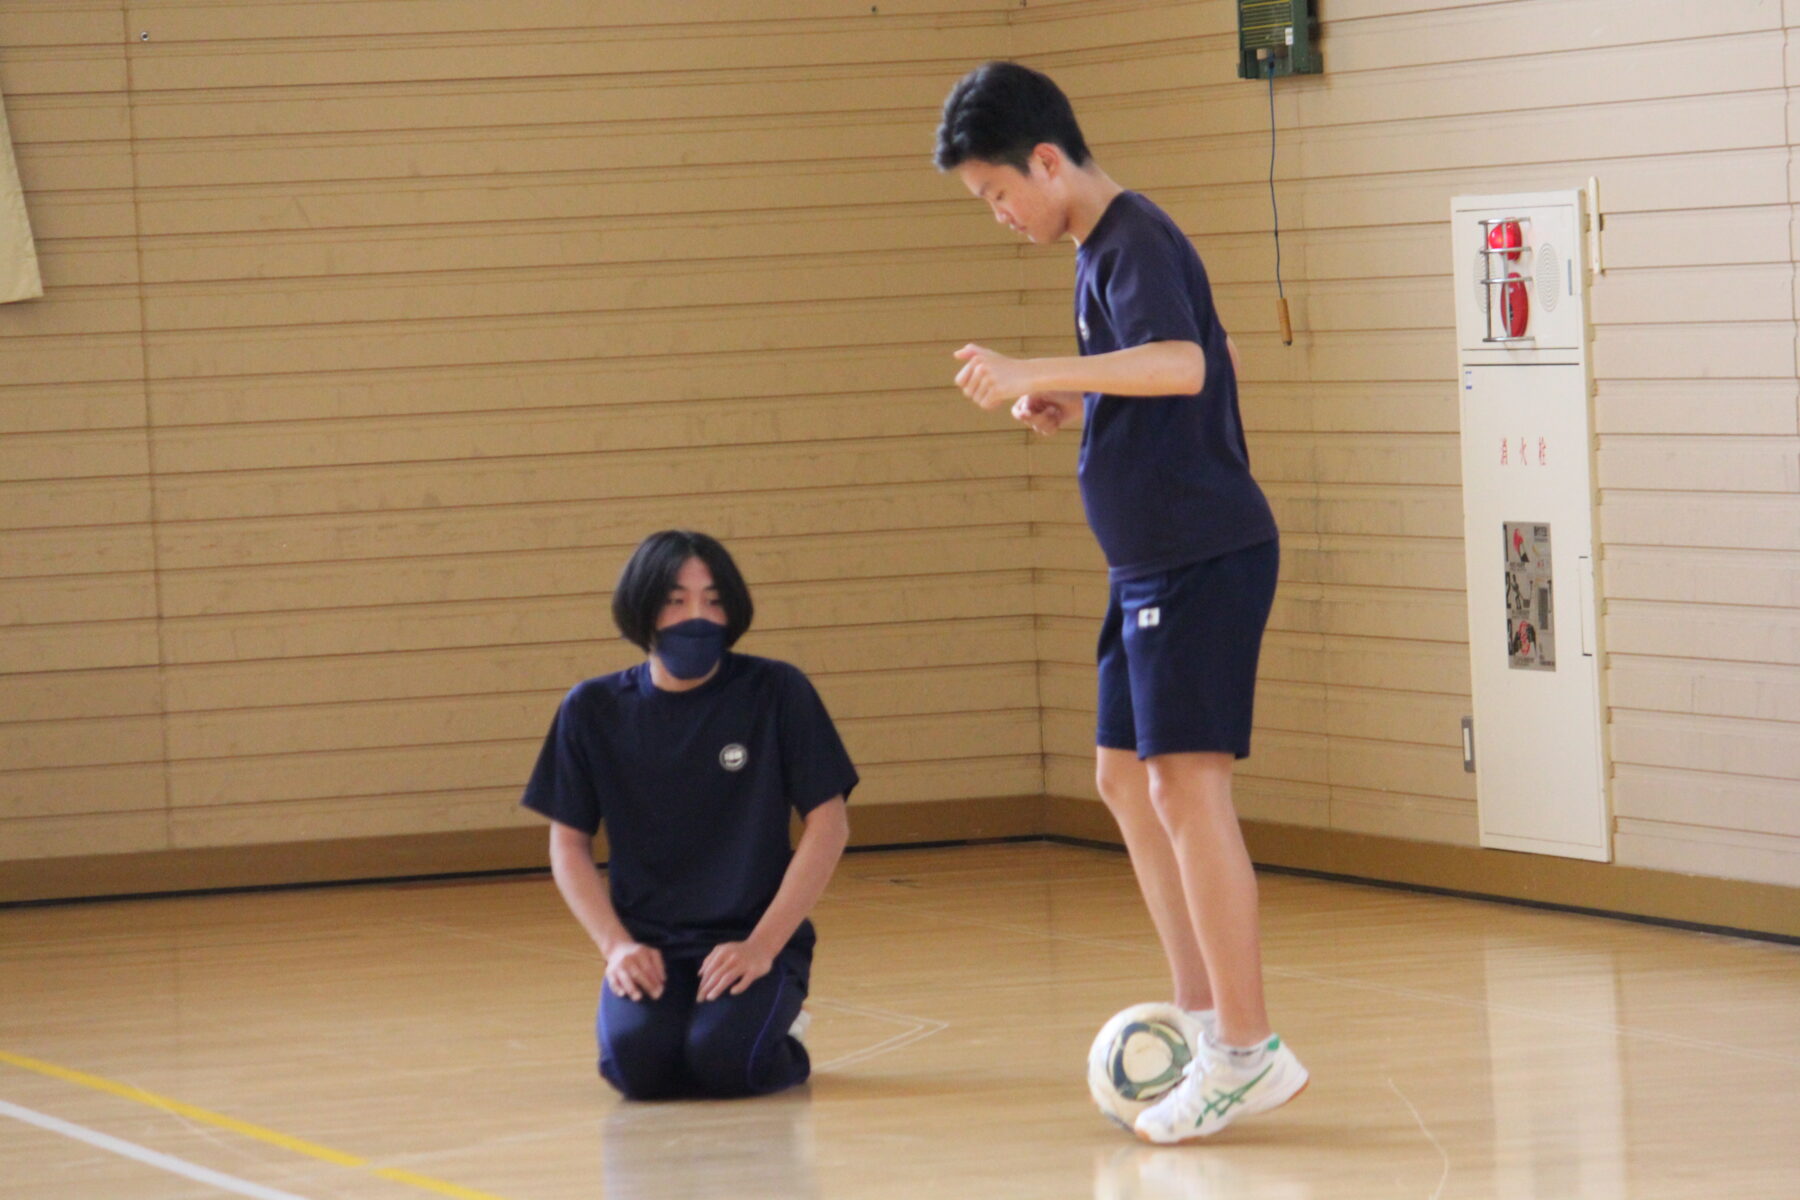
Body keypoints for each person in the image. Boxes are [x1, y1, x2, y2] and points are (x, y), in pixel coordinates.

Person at [935, 61, 1306, 1142]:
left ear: (1046, 160)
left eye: (999, 193)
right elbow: (1212, 352)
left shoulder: (1131, 235)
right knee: (1122, 780)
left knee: (1187, 790)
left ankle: (1247, 1049)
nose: (1001, 216)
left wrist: (1035, 367)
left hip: (1198, 560)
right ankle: (1202, 1021)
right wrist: (1076, 393)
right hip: (1145, 568)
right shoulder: (1107, 253)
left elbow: (1188, 365)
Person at [520, 530, 856, 1100]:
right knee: (636, 1069)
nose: (697, 615)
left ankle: (780, 1029)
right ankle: (682, 1026)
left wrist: (763, 945)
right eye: (676, 600)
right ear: (644, 609)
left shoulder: (777, 691)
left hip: (750, 939)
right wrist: (616, 947)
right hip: (651, 944)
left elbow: (829, 824)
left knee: (726, 1062)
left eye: (714, 598)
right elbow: (568, 844)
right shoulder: (592, 709)